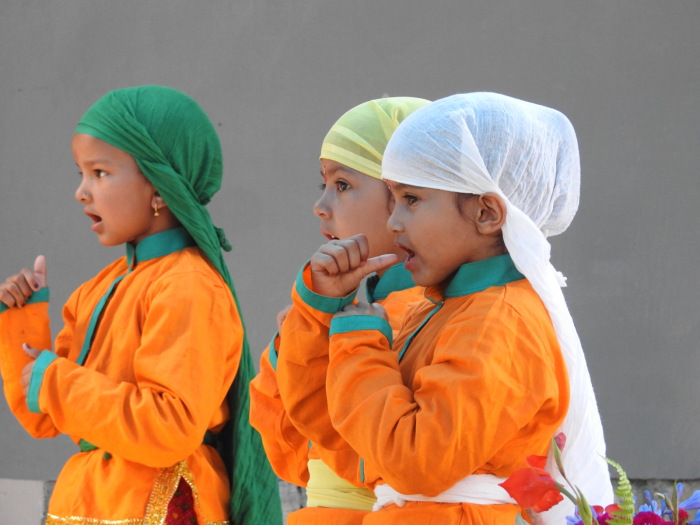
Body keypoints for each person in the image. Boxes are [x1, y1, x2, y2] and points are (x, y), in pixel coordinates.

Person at [288, 92, 613, 524]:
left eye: (412, 199)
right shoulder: (441, 310)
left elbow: (417, 462)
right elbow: (342, 437)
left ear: (485, 213)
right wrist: (322, 310)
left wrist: (360, 342)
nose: (393, 221)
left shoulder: (500, 320)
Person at [0, 85, 281, 525]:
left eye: (99, 173)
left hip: (164, 506)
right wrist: (22, 323)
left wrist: (54, 379)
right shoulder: (98, 289)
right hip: (89, 501)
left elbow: (170, 427)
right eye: (80, 173)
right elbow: (43, 417)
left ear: (160, 188)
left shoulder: (188, 286)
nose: (81, 191)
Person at [249, 96, 430, 525]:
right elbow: (293, 454)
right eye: (323, 185)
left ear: (411, 197)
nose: (321, 205)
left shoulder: (429, 314)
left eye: (344, 185)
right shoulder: (353, 308)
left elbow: (383, 455)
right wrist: (296, 338)